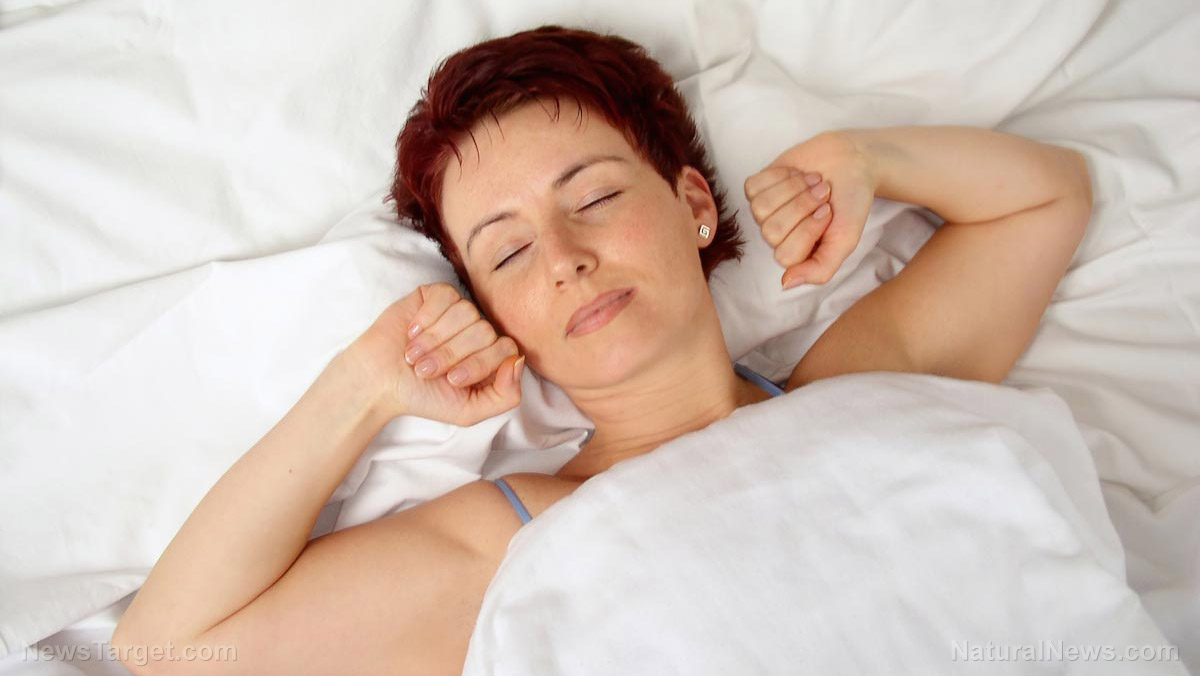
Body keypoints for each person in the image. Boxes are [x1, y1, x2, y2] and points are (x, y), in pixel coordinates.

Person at [111, 24, 1093, 676]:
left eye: (593, 197)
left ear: (693, 203)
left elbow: (1047, 201)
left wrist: (873, 157)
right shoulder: (508, 541)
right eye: (507, 253)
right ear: (497, 317)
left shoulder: (858, 388)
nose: (565, 259)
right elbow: (166, 648)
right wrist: (363, 385)